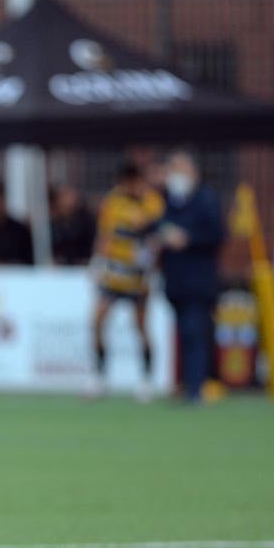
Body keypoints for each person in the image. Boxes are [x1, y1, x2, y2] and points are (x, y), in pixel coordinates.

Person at [89, 163, 164, 400]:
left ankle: (147, 379)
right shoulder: (112, 202)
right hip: (114, 272)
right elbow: (105, 234)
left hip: (138, 276)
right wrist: (98, 261)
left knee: (140, 326)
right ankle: (99, 376)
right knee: (98, 320)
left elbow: (153, 233)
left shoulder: (152, 202)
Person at [155, 151, 224, 403]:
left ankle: (197, 388)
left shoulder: (206, 199)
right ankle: (189, 384)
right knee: (185, 334)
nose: (174, 174)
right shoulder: (170, 201)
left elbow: (216, 235)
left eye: (179, 168)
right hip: (176, 282)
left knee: (195, 332)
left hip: (199, 282)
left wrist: (188, 239)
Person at [49, 183, 97, 266]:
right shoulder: (53, 221)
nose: (67, 200)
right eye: (64, 196)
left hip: (81, 265)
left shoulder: (86, 221)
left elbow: (91, 243)